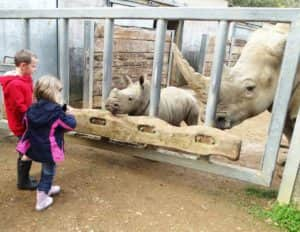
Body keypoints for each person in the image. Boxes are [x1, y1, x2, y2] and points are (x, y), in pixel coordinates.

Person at [17, 75, 76, 211]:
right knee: (48, 171)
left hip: (34, 146)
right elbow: (69, 125)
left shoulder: (32, 108)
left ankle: (46, 188)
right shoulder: (56, 112)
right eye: (59, 91)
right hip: (49, 148)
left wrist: (61, 110)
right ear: (53, 93)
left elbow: (25, 122)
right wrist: (70, 115)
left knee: (46, 169)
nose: (60, 94)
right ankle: (42, 198)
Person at [0, 49, 39, 190]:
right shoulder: (14, 84)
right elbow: (19, 108)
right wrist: (36, 116)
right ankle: (23, 182)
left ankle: (24, 178)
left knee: (25, 149)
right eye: (33, 66)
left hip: (27, 122)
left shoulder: (26, 79)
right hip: (21, 125)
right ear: (23, 66)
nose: (35, 69)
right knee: (27, 150)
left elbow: (30, 97)